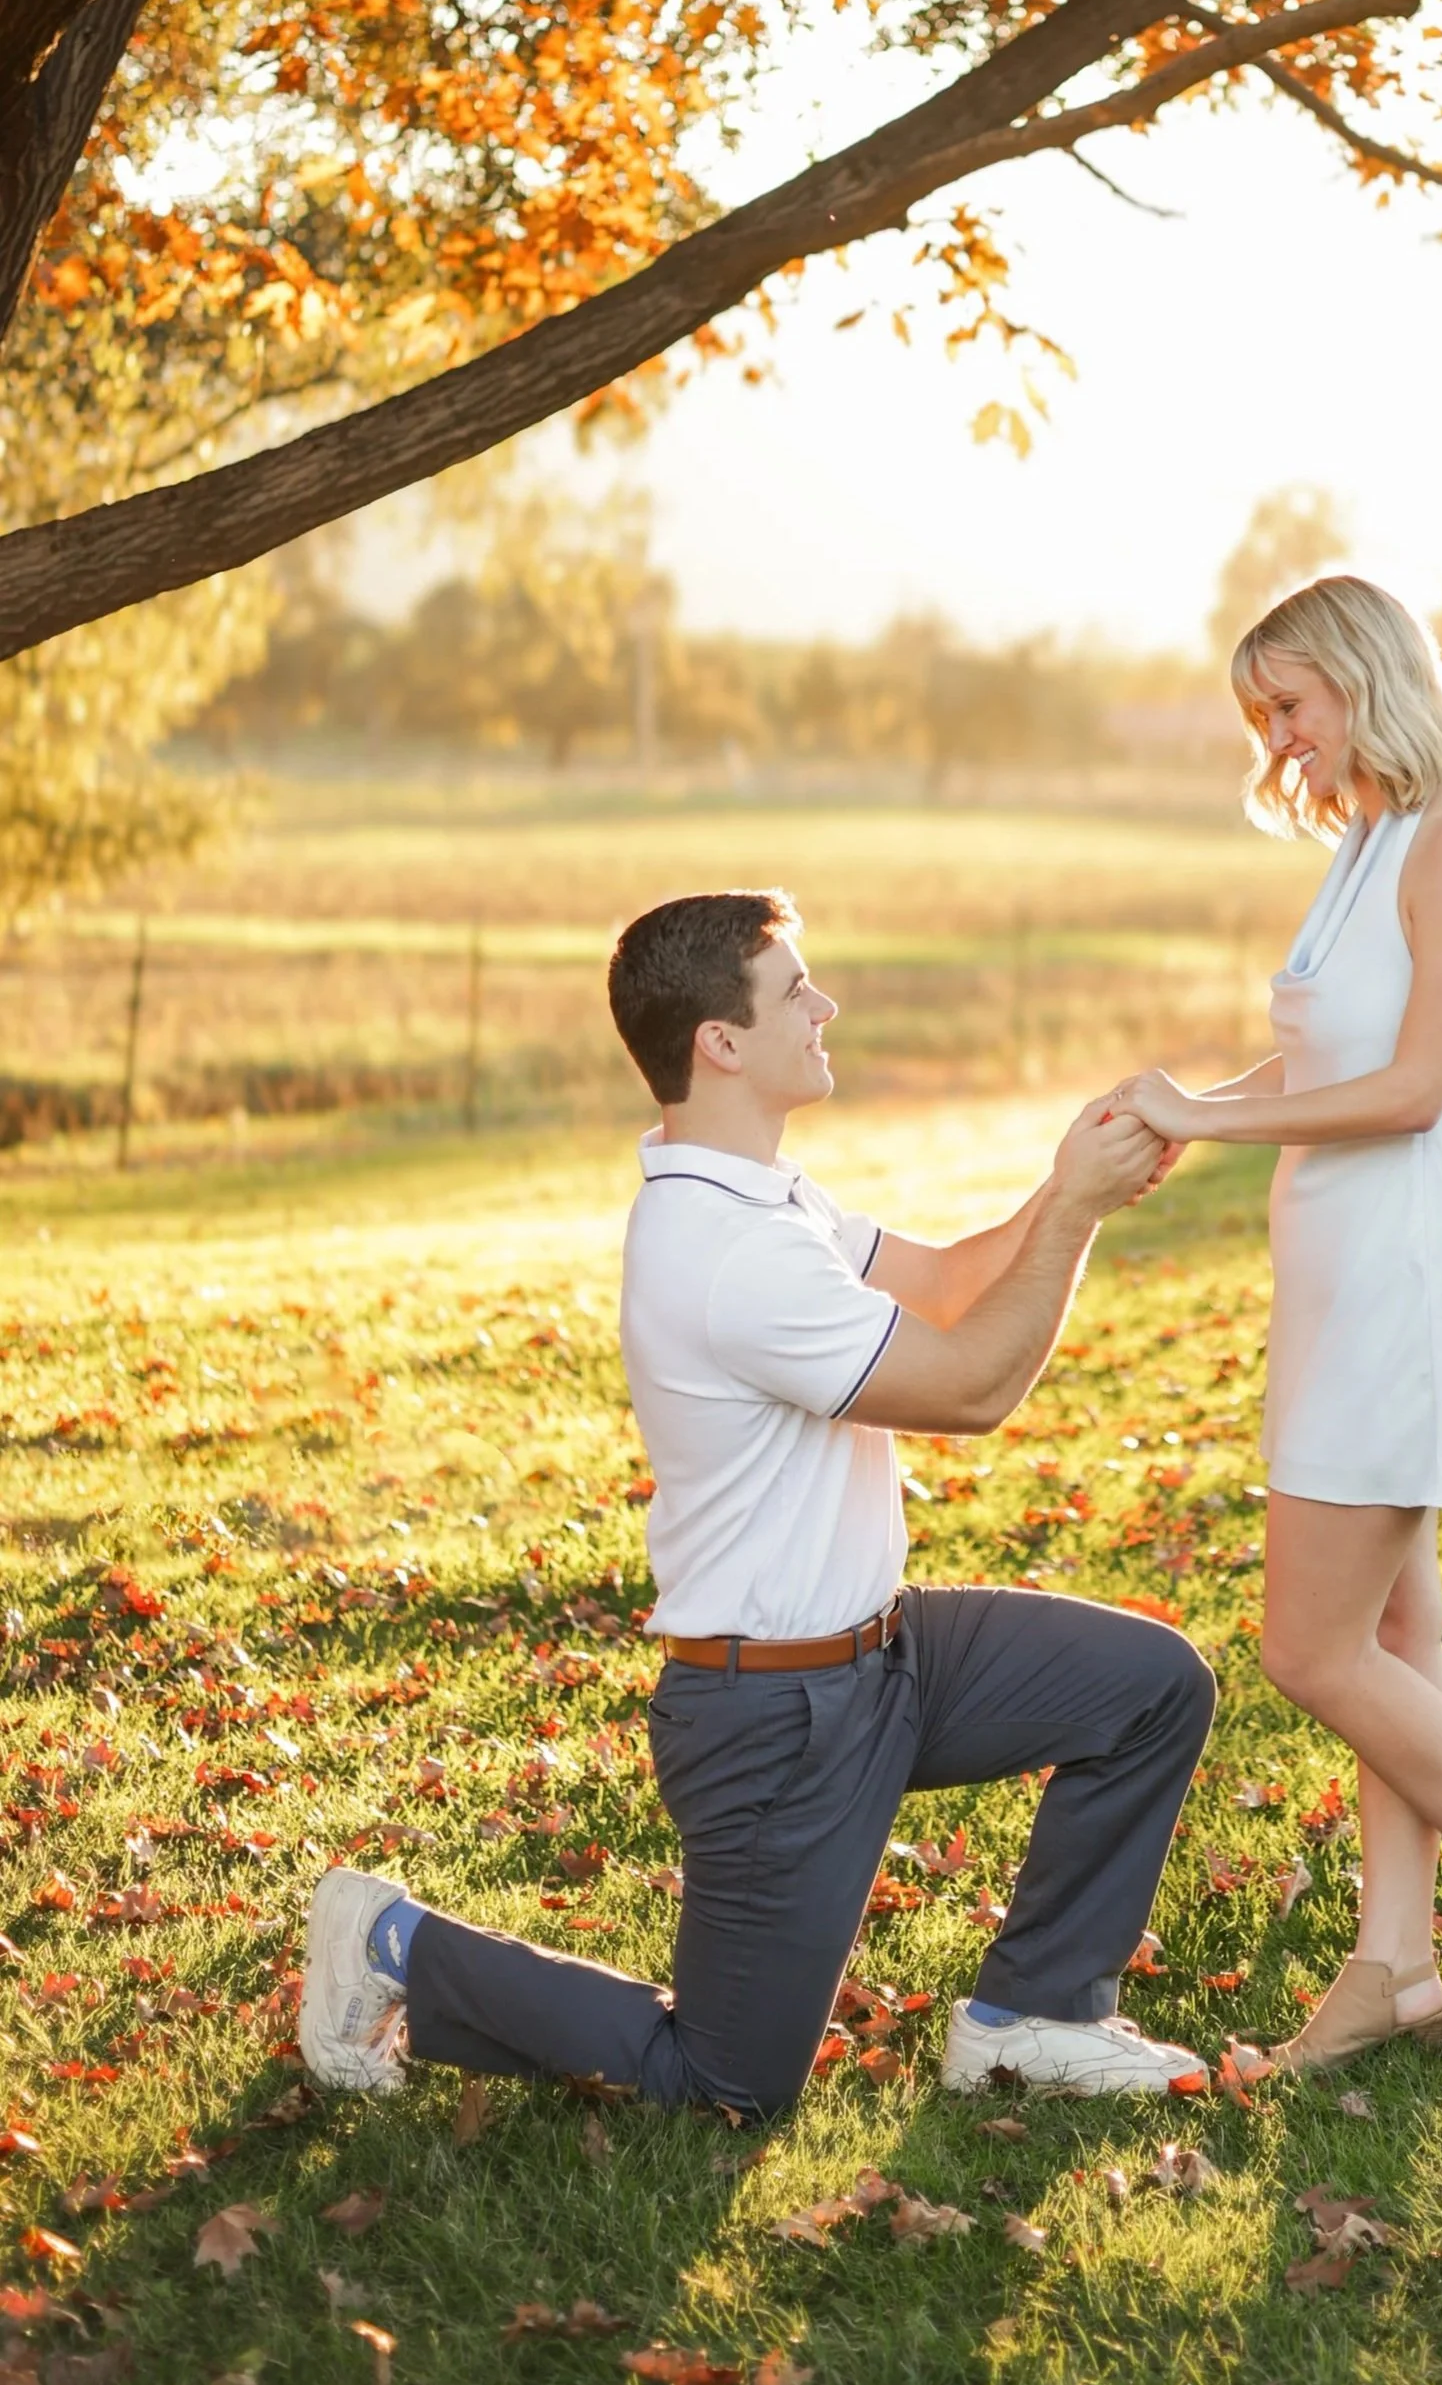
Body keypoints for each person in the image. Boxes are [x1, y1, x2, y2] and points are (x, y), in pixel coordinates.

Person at [298, 888, 1216, 2121]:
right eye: (796, 991)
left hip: (892, 1658)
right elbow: (969, 1386)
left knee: (1149, 1687)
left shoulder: (767, 1199)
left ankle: (1034, 2017)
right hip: (773, 1716)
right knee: (726, 2082)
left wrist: (1062, 1190)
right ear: (718, 1042)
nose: (824, 1006)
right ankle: (393, 1942)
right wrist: (1078, 1216)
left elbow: (946, 1284)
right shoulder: (726, 1252)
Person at [1112, 577, 1442, 2064]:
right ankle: (1393, 1969)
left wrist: (1214, 1126)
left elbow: (1415, 1087)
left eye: (1291, 704)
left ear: (1366, 679)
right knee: (1402, 1636)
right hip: (1333, 1276)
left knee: (1311, 1646)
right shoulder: (1367, 844)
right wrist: (1187, 1102)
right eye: (1262, 715)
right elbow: (1316, 1056)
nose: (1278, 740)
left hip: (1405, 1277)